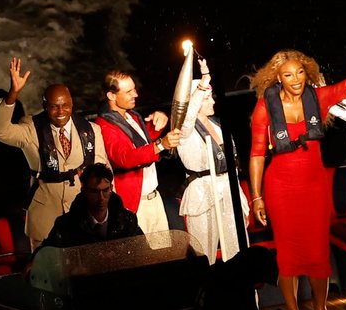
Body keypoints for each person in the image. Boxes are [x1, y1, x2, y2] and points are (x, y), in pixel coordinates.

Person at [248, 19, 346, 310]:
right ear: (278, 79)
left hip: (313, 183)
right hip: (279, 185)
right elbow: (257, 153)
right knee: (289, 252)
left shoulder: (319, 97)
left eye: (300, 72)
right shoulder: (264, 107)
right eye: (288, 74)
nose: (296, 79)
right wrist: (256, 197)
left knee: (316, 249)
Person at [0, 57, 109, 250]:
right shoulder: (31, 129)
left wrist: (107, 209)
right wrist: (13, 94)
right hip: (45, 214)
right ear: (45, 107)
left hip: (82, 212)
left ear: (72, 104)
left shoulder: (90, 130)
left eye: (65, 105)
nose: (61, 111)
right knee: (46, 270)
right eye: (54, 106)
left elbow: (104, 173)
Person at [176, 58, 249, 265]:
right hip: (202, 196)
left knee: (239, 253)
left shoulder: (218, 127)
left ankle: (243, 294)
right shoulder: (184, 129)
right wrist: (203, 80)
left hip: (227, 190)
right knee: (203, 256)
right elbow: (187, 115)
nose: (213, 101)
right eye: (207, 98)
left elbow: (231, 166)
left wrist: (241, 201)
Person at [95, 70, 181, 235]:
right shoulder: (104, 126)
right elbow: (124, 158)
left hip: (153, 199)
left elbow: (140, 142)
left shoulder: (131, 116)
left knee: (163, 253)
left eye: (134, 89)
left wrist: (159, 119)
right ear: (111, 96)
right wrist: (160, 146)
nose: (135, 94)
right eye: (128, 92)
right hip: (134, 205)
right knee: (142, 256)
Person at [41, 163, 142, 248]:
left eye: (105, 190)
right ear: (84, 190)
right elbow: (47, 252)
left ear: (111, 188)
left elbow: (142, 252)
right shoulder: (66, 225)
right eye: (95, 192)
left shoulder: (127, 220)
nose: (101, 198)